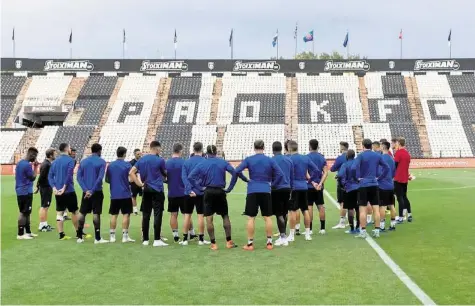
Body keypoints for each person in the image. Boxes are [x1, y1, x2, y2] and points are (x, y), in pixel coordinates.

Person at [188, 145, 240, 250]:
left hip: (208, 191)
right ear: (216, 152)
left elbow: (190, 177)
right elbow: (235, 173)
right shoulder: (222, 162)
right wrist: (230, 187)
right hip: (220, 191)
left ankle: (213, 244)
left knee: (209, 218)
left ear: (206, 153)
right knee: (225, 216)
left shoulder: (202, 163)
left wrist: (200, 187)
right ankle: (229, 241)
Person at [235, 140, 284, 251]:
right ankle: (269, 243)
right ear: (264, 147)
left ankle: (250, 244)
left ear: (254, 147)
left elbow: (237, 170)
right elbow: (280, 174)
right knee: (267, 217)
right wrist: (273, 185)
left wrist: (246, 179)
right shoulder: (269, 160)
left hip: (252, 190)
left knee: (251, 217)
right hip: (265, 190)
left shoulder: (249, 159)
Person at [129, 141, 168, 247]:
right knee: (157, 214)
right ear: (157, 148)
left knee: (146, 214)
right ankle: (156, 239)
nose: (160, 151)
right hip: (157, 189)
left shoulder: (142, 159)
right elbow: (165, 175)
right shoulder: (160, 160)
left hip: (146, 189)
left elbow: (131, 172)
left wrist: (139, 184)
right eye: (160, 149)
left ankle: (145, 239)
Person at [354, 139, 390, 238]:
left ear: (363, 146)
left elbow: (353, 167)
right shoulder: (377, 155)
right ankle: (377, 230)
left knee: (362, 209)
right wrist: (380, 177)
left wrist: (356, 179)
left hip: (363, 184)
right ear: (371, 146)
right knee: (376, 209)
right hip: (374, 183)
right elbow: (387, 168)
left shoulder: (361, 155)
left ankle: (363, 231)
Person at [287, 140, 321, 242]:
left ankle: (292, 235)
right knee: (305, 210)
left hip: (294, 187)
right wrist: (310, 181)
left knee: (292, 211)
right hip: (304, 186)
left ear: (289, 148)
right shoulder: (305, 158)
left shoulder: (289, 159)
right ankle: (307, 234)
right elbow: (316, 171)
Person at [76, 143, 107, 244]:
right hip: (96, 191)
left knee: (82, 212)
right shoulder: (102, 162)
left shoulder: (83, 161)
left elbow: (78, 178)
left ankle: (79, 237)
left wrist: (86, 190)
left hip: (86, 192)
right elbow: (100, 178)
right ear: (99, 151)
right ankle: (97, 238)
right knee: (96, 213)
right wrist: (92, 191)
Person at [48, 143, 80, 240]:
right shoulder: (70, 160)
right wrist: (64, 187)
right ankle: (78, 233)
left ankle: (61, 234)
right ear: (67, 149)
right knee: (74, 211)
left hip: (58, 191)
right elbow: (69, 175)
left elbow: (50, 176)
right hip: (68, 190)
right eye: (70, 148)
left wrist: (54, 187)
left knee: (60, 213)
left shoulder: (54, 162)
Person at [181, 142, 210, 246]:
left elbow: (184, 177)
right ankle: (201, 239)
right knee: (201, 216)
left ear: (193, 150)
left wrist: (189, 190)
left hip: (188, 193)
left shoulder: (186, 162)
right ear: (202, 150)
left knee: (187, 215)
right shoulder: (205, 161)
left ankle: (184, 239)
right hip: (201, 192)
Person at [105, 146, 135, 243]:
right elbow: (131, 179)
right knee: (126, 215)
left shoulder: (110, 165)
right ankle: (125, 237)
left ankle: (112, 236)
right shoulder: (127, 165)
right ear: (124, 154)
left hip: (114, 194)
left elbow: (107, 180)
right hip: (125, 194)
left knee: (114, 215)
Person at [165, 143, 193, 244]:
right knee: (187, 214)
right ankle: (191, 233)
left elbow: (164, 177)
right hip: (183, 192)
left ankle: (175, 236)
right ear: (180, 151)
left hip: (172, 192)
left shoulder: (167, 163)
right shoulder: (184, 162)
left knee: (173, 214)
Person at [271, 141, 293, 246]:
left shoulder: (271, 161)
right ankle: (283, 235)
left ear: (272, 149)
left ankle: (283, 236)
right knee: (285, 212)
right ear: (281, 149)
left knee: (278, 213)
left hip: (276, 189)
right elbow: (292, 176)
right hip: (287, 188)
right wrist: (291, 188)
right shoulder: (288, 160)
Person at [15, 147, 39, 239]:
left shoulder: (20, 163)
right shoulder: (27, 165)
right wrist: (36, 167)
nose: (35, 158)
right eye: (35, 156)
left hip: (23, 190)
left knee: (27, 212)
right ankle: (20, 234)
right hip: (24, 191)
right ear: (31, 155)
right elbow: (33, 177)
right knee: (23, 212)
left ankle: (28, 232)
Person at [306, 139, 329, 235]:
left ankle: (310, 229)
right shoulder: (321, 158)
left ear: (310, 146)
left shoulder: (306, 157)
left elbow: (306, 172)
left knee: (309, 207)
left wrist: (312, 183)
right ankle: (322, 228)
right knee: (320, 206)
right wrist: (320, 183)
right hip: (319, 186)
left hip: (309, 186)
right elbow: (326, 172)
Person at [339, 149, 360, 234]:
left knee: (350, 208)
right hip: (359, 187)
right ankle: (358, 226)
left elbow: (340, 174)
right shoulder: (358, 163)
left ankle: (352, 228)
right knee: (358, 208)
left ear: (347, 156)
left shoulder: (345, 164)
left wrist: (343, 183)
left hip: (349, 188)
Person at [35, 148, 56, 232]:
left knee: (46, 206)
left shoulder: (47, 163)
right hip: (45, 187)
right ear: (50, 155)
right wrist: (37, 186)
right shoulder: (46, 164)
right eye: (55, 154)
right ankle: (42, 225)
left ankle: (44, 224)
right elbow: (41, 176)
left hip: (47, 187)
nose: (56, 155)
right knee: (44, 206)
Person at [331, 141, 349, 229]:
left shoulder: (340, 158)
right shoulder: (353, 157)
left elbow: (332, 168)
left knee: (342, 202)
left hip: (342, 182)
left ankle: (342, 222)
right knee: (352, 202)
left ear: (342, 147)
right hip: (353, 182)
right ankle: (353, 222)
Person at [378, 141, 397, 231]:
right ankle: (393, 225)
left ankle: (382, 225)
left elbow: (379, 172)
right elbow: (394, 172)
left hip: (382, 185)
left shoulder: (381, 158)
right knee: (391, 205)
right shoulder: (391, 158)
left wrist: (378, 178)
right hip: (390, 184)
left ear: (383, 147)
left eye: (381, 146)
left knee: (382, 206)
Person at [394, 137, 412, 223]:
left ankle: (401, 217)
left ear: (399, 144)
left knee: (399, 197)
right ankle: (409, 214)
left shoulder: (398, 153)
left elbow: (395, 165)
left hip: (398, 178)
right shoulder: (407, 154)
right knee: (404, 196)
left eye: (397, 143)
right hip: (405, 178)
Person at [63, 148, 77, 220]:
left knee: (65, 198)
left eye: (75, 153)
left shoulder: (73, 161)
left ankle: (64, 214)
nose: (74, 154)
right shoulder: (70, 161)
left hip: (69, 180)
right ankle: (64, 213)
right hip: (66, 181)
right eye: (73, 153)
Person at [129, 149, 142, 215]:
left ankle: (144, 209)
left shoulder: (143, 161)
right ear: (134, 154)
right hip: (134, 182)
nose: (139, 155)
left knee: (144, 195)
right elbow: (130, 173)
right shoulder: (131, 162)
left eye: (140, 154)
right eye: (138, 154)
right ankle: (135, 210)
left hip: (142, 181)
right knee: (134, 196)